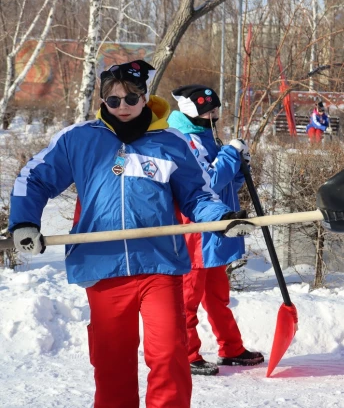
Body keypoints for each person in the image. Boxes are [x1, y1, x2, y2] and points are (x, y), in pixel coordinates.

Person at [8, 60, 254, 408]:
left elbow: (198, 195)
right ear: (103, 102)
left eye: (131, 98)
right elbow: (33, 178)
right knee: (113, 366)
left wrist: (222, 218)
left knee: (170, 356)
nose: (122, 107)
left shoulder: (170, 143)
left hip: (159, 265)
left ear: (144, 97)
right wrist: (24, 222)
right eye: (113, 100)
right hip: (103, 266)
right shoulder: (79, 139)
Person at [168, 84, 264, 376]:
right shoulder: (184, 140)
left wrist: (237, 169)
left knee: (217, 295)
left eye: (215, 110)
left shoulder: (206, 137)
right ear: (191, 111)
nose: (215, 115)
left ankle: (231, 347)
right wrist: (230, 156)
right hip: (195, 229)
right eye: (208, 111)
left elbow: (224, 187)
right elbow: (207, 180)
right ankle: (186, 353)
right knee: (188, 297)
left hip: (215, 230)